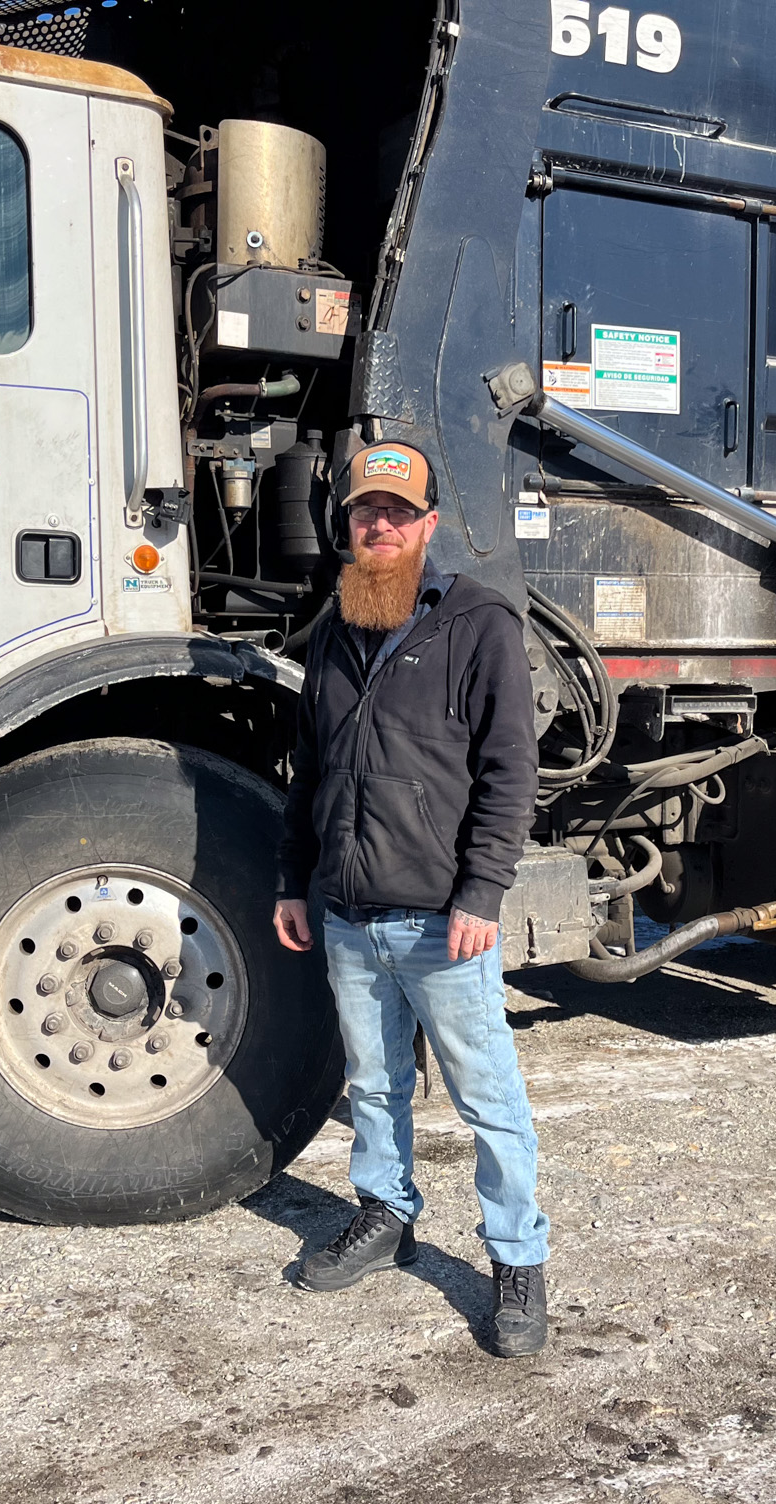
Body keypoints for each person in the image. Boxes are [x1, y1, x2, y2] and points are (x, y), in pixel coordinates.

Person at [273, 439, 550, 1357]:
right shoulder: (334, 630)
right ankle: (386, 1215)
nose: (380, 525)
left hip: (443, 921)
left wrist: (481, 892)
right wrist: (295, 881)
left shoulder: (478, 623)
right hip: (349, 915)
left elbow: (510, 773)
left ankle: (515, 1262)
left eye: (398, 512)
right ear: (346, 524)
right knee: (376, 1083)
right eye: (365, 512)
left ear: (429, 525)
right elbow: (310, 771)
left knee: (486, 1097)